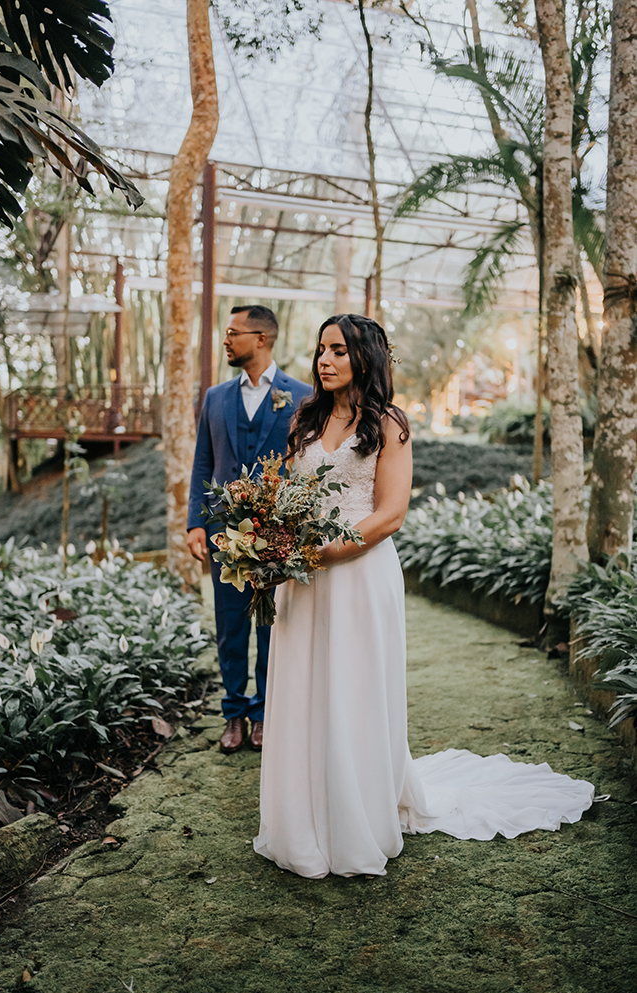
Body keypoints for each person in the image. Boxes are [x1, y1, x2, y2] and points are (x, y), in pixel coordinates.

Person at [254, 313, 595, 879]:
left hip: (357, 574)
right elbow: (288, 495)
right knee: (304, 688)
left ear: (364, 356)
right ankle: (303, 818)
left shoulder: (389, 424)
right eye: (320, 350)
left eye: (337, 350)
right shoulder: (306, 421)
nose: (325, 360)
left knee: (352, 690)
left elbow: (390, 515)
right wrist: (275, 545)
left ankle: (356, 817)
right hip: (304, 580)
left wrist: (322, 553)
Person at [187, 305, 310, 754]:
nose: (226, 339)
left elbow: (309, 467)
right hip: (224, 533)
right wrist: (195, 523)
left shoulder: (302, 395)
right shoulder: (216, 397)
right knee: (230, 626)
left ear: (261, 338)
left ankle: (265, 714)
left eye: (233, 332)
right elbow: (203, 461)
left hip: (278, 534)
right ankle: (235, 714)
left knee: (272, 626)